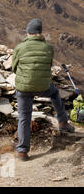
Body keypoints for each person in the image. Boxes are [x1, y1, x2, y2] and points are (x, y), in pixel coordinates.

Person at [12, 19, 75, 161]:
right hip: (43, 86)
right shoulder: (48, 48)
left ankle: (22, 151)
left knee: (24, 116)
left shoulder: (19, 47)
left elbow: (14, 68)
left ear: (28, 32)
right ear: (40, 33)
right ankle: (63, 123)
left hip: (23, 88)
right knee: (55, 93)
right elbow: (48, 65)